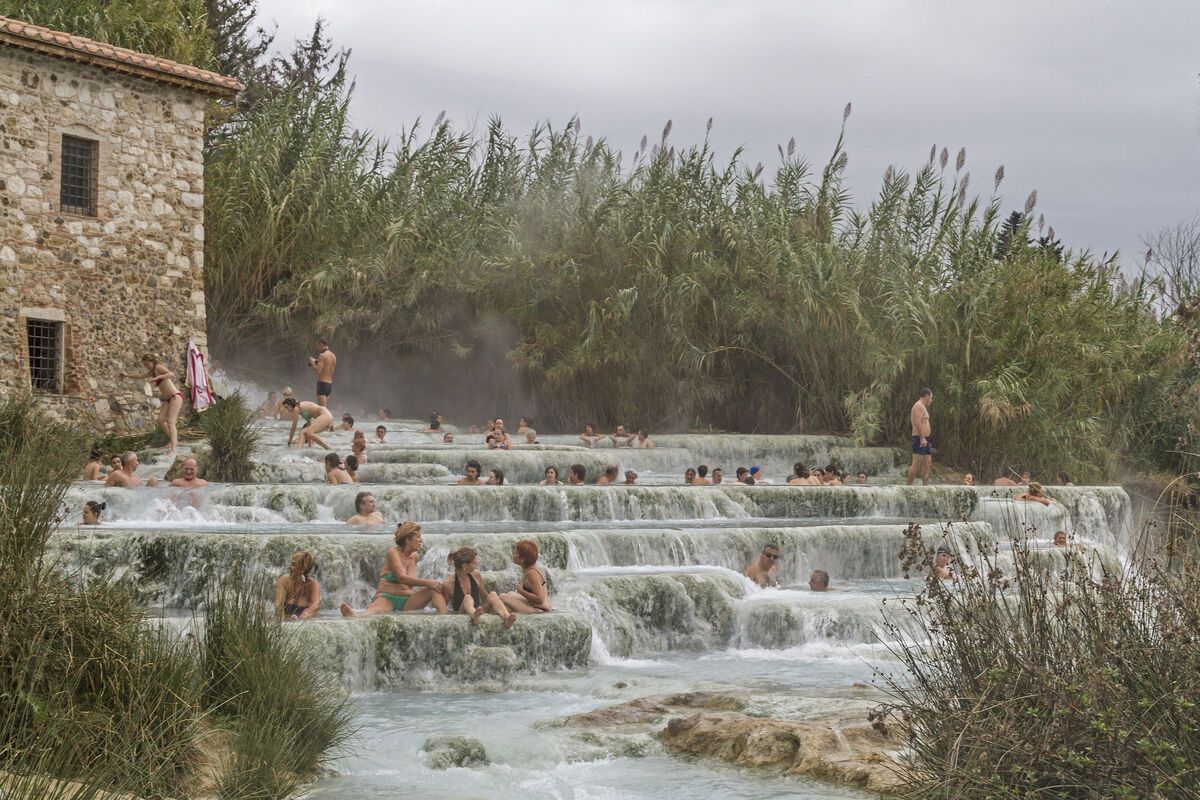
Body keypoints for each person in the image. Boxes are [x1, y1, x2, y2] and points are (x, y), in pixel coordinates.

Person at [341, 522, 449, 617]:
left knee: (434, 589)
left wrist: (433, 585)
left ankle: (444, 617)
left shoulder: (414, 556)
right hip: (388, 598)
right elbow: (402, 578)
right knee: (376, 608)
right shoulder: (393, 553)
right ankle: (357, 614)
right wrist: (429, 582)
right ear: (407, 539)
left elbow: (410, 583)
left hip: (407, 601)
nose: (421, 540)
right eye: (418, 537)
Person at [121, 354, 184, 454]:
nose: (146, 366)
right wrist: (127, 375)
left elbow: (171, 374)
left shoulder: (158, 367)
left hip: (175, 397)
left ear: (152, 361)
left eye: (147, 364)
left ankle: (173, 449)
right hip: (168, 399)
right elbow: (140, 376)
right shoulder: (152, 371)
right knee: (160, 420)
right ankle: (174, 441)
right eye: (144, 365)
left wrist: (159, 377)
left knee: (171, 422)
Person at [441, 546, 516, 627]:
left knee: (493, 594)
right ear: (464, 566)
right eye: (473, 563)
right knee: (467, 598)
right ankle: (474, 615)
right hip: (462, 613)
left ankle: (507, 618)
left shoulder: (476, 575)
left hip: (479, 611)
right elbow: (443, 610)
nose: (476, 565)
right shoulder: (448, 584)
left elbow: (484, 596)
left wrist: (499, 605)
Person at [499, 539, 552, 613]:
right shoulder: (529, 569)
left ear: (523, 559)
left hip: (540, 610)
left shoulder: (532, 574)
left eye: (515, 553)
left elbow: (540, 599)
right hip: (535, 606)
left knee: (503, 598)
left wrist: (521, 591)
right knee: (509, 595)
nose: (513, 555)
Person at [275, 550, 321, 620]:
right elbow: (278, 606)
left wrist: (305, 614)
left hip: (304, 620)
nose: (289, 567)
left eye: (293, 565)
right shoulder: (283, 581)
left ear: (302, 569)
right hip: (286, 619)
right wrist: (282, 622)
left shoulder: (313, 584)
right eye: (291, 564)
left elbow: (316, 605)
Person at [906, 387, 934, 486]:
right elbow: (917, 422)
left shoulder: (923, 407)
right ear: (926, 396)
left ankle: (925, 487)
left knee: (927, 464)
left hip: (926, 439)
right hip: (919, 438)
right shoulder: (918, 406)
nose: (931, 400)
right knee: (916, 463)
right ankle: (908, 487)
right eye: (930, 397)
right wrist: (922, 438)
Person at [308, 338, 337, 407]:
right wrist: (316, 361)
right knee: (325, 408)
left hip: (322, 383)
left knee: (322, 409)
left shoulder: (322, 355)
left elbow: (318, 371)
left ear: (321, 344)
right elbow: (329, 367)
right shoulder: (333, 356)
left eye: (317, 346)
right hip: (329, 384)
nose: (317, 348)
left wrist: (312, 363)